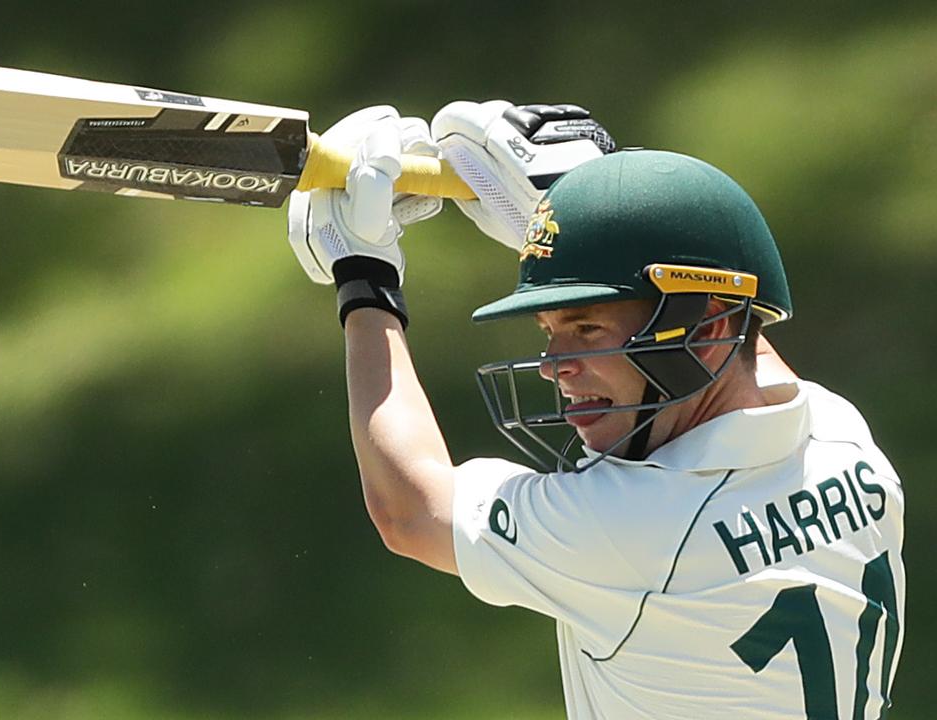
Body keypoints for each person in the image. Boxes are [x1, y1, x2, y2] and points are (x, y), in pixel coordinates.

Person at [286, 102, 905, 719]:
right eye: (551, 329)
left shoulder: (630, 525)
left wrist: (364, 278)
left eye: (586, 328)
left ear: (705, 330)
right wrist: (584, 217)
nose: (556, 365)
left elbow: (410, 511)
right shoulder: (840, 439)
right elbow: (741, 338)